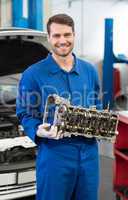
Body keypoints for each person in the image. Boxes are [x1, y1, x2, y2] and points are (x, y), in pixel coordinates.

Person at [16, 13, 102, 200]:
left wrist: (105, 128)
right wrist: (38, 130)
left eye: (67, 35)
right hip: (55, 155)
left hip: (89, 156)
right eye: (56, 36)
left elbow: (98, 106)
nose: (62, 40)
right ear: (48, 37)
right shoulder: (33, 74)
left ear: (74, 35)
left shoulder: (89, 71)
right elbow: (25, 113)